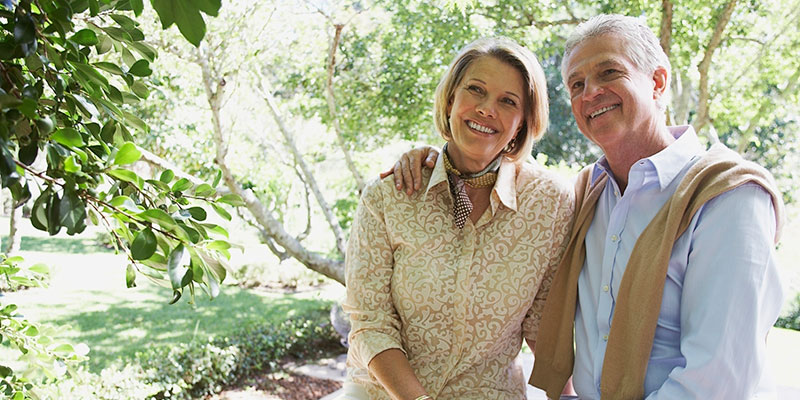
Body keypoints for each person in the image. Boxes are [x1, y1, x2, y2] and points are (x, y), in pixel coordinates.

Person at [387, 14, 785, 400]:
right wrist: (433, 161)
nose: (589, 92)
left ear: (658, 82)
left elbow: (717, 380)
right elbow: (484, 170)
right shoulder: (585, 194)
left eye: (609, 72)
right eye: (576, 84)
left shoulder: (728, 197)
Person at [342, 37, 575, 399]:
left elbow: (543, 323)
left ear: (523, 122)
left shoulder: (551, 203)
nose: (486, 109)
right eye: (475, 90)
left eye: (507, 101)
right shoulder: (389, 196)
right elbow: (370, 322)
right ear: (450, 99)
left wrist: (569, 396)